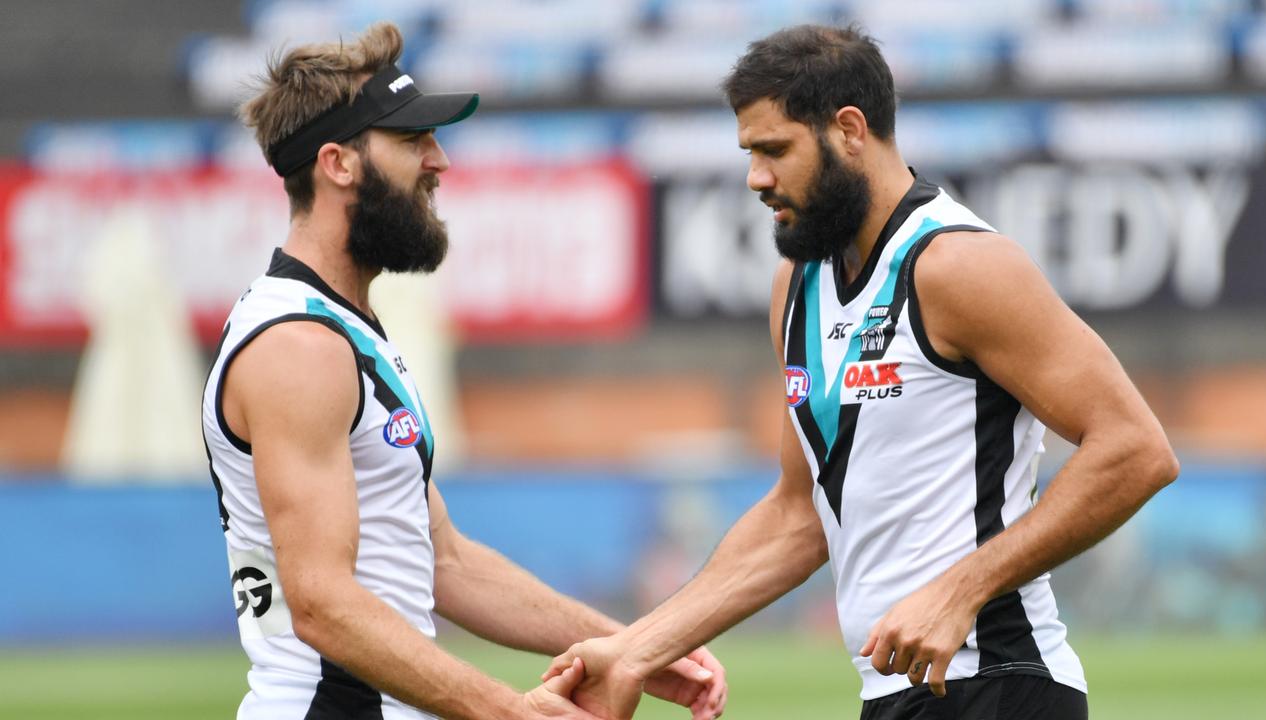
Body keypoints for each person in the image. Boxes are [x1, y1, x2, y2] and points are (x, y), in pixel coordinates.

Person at [543, 24, 1179, 720]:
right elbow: (798, 514)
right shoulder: (797, 286)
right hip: (897, 694)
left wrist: (961, 589)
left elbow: (1134, 448)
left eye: (774, 150)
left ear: (849, 129)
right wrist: (637, 648)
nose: (757, 177)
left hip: (999, 684)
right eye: (750, 153)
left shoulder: (957, 265)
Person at [200, 22, 727, 720]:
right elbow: (323, 606)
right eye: (412, 140)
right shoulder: (298, 343)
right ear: (338, 163)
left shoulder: (343, 330)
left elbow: (444, 561)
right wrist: (510, 711)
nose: (438, 160)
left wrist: (631, 644)